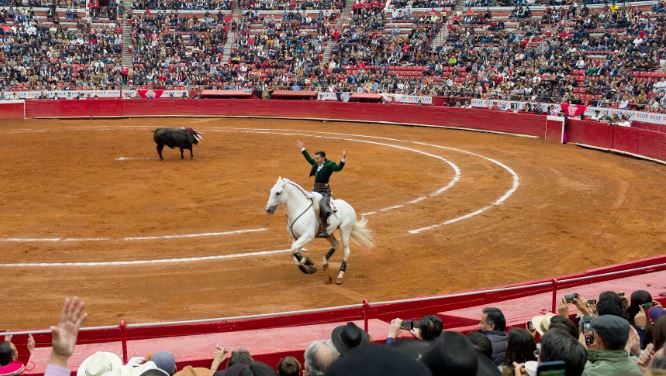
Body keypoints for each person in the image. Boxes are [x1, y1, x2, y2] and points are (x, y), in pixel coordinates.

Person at [296, 140, 346, 238]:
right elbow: (309, 159)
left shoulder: (329, 165)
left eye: (318, 158)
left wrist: (343, 159)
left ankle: (327, 226)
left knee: (323, 205)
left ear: (323, 158)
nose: (316, 160)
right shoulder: (316, 164)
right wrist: (302, 149)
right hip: (315, 189)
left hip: (324, 191)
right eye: (316, 158)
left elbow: (339, 168)